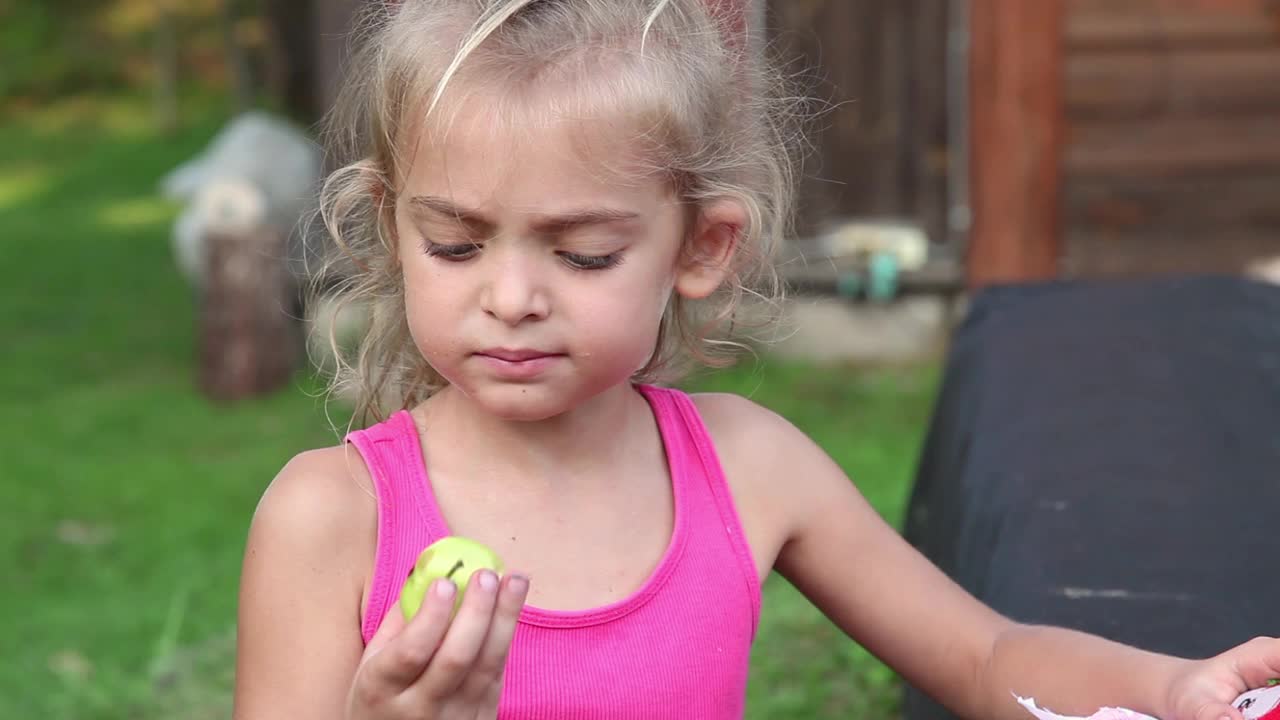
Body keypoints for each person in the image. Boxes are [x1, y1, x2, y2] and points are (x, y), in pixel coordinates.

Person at [231, 2, 1280, 719]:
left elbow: (985, 658)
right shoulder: (332, 519)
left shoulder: (745, 468)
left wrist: (1165, 686)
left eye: (583, 252)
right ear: (385, 226)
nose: (509, 297)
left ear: (700, 248)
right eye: (454, 244)